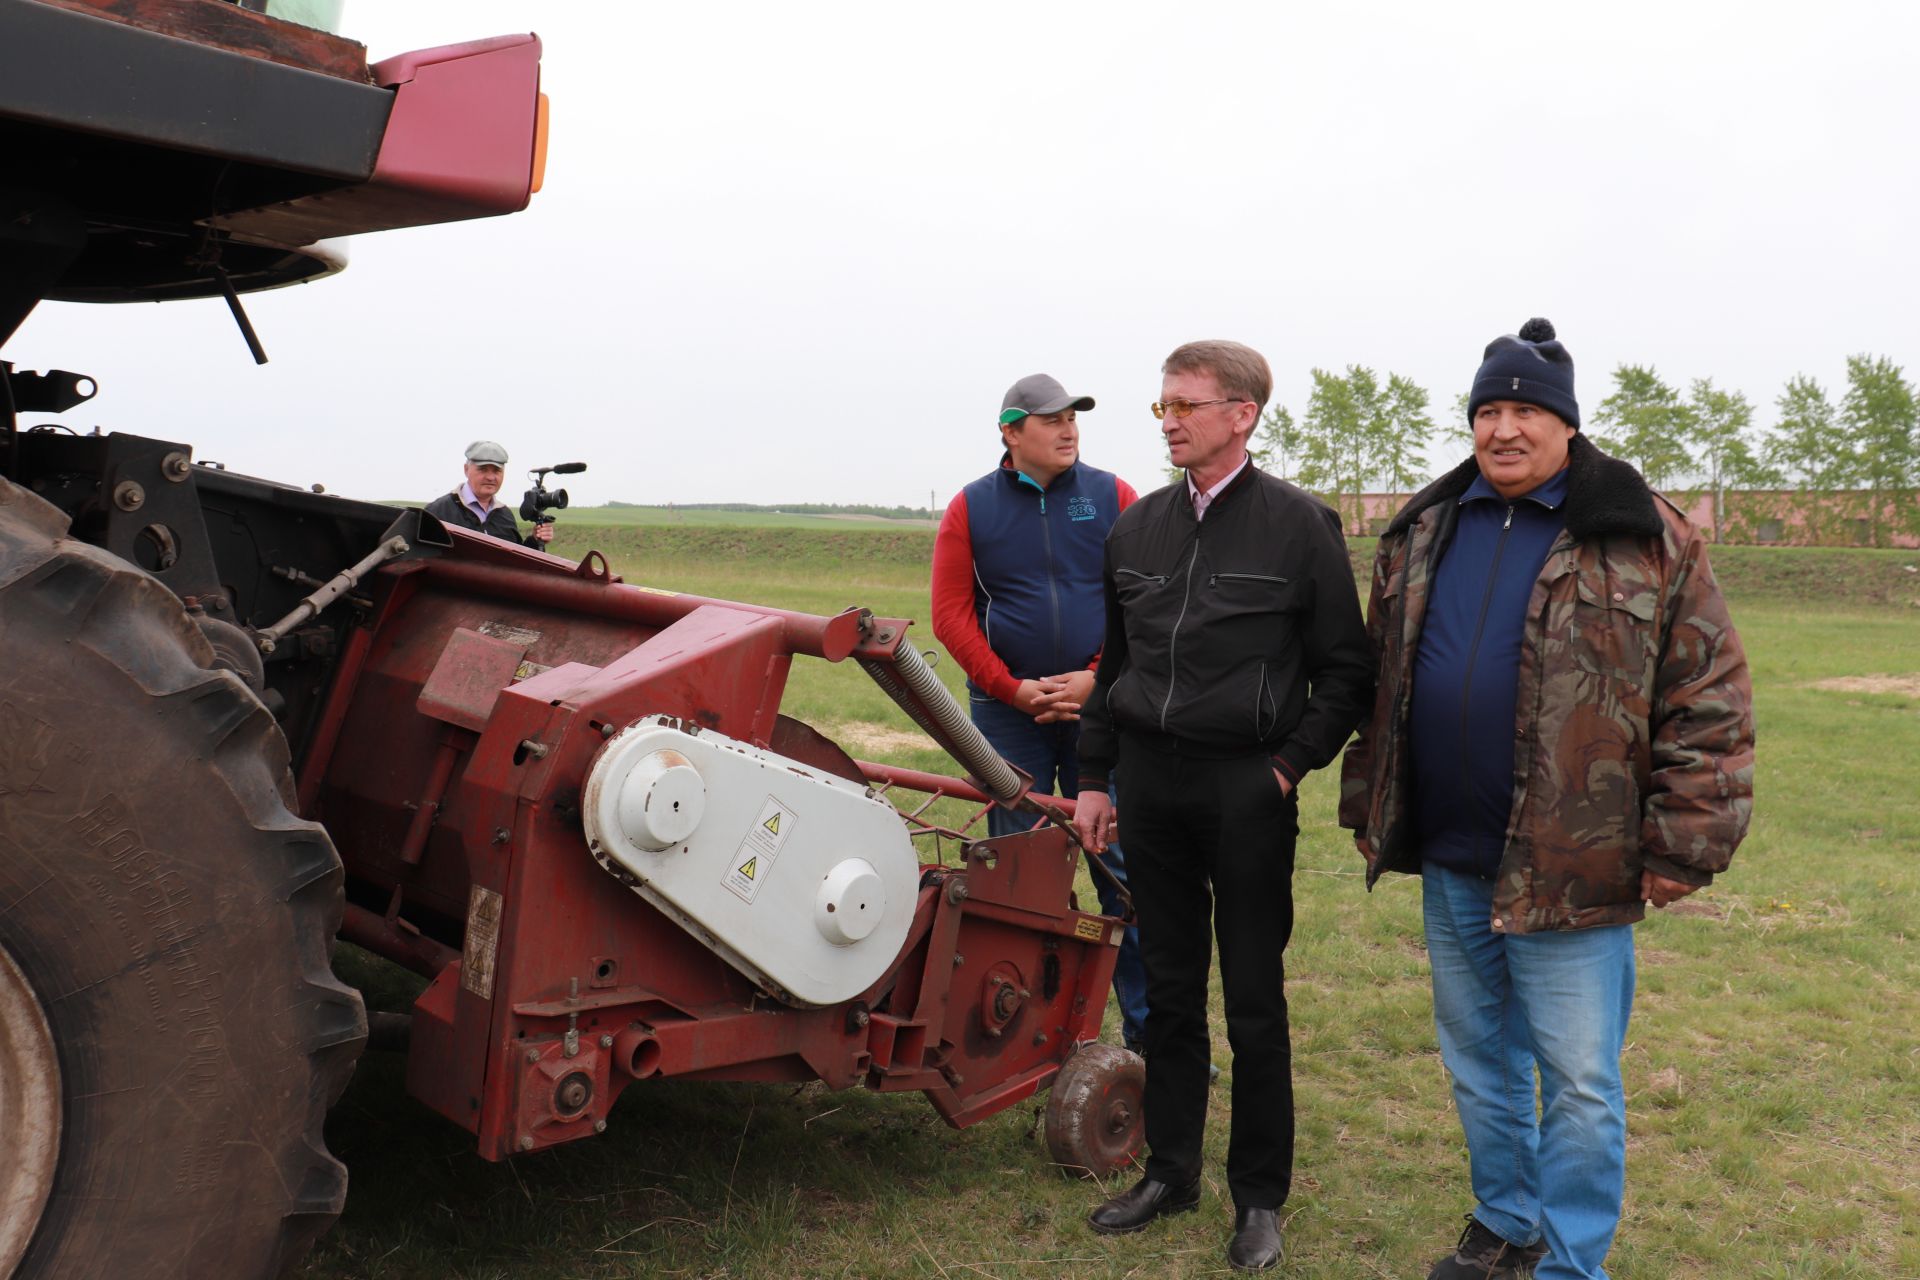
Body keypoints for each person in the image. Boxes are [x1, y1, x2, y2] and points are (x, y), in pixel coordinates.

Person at [1339, 318, 1755, 1280]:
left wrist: (1681, 844)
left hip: (1579, 862)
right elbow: (1380, 681)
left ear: (1567, 424)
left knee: (1578, 1081)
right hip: (1450, 852)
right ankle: (1506, 1221)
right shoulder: (1424, 529)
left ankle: (1571, 1263)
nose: (1504, 429)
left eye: (1525, 409)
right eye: (1488, 410)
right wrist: (1374, 798)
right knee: (1479, 1061)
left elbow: (1711, 700)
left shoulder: (1643, 532)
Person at [1073, 340, 1373, 1272]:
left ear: (1241, 414)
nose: (1168, 419)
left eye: (1187, 405)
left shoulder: (1298, 528)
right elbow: (1113, 665)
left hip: (1246, 789)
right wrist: (1093, 775)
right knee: (1167, 993)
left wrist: (1285, 767)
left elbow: (1347, 672)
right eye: (1162, 405)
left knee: (1252, 997)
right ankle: (1170, 1172)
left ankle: (1258, 1198)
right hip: (1149, 790)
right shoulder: (1136, 529)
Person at [930, 372, 1149, 1054]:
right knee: (1018, 876)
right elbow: (951, 615)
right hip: (1007, 717)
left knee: (1122, 869)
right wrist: (1008, 687)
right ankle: (1018, 1041)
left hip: (1103, 711)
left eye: (1073, 417)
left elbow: (1145, 601)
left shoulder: (1115, 497)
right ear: (1011, 432)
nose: (1068, 428)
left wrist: (1094, 680)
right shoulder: (971, 508)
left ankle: (1151, 1039)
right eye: (1051, 419)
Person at [423, 440, 553, 548]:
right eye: (483, 469)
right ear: (466, 469)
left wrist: (535, 541)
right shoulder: (438, 512)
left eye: (497, 471)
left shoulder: (505, 516)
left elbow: (514, 567)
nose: (490, 477)